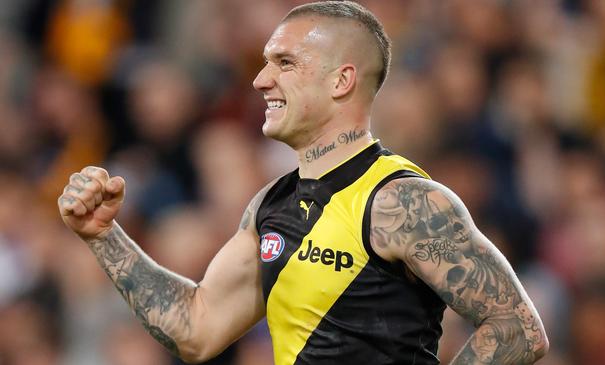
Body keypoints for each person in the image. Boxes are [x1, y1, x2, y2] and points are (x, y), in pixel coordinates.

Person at [57, 1, 549, 364]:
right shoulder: (271, 204)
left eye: (285, 63)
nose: (260, 80)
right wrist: (104, 235)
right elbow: (195, 328)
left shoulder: (401, 200)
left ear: (341, 81)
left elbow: (518, 328)